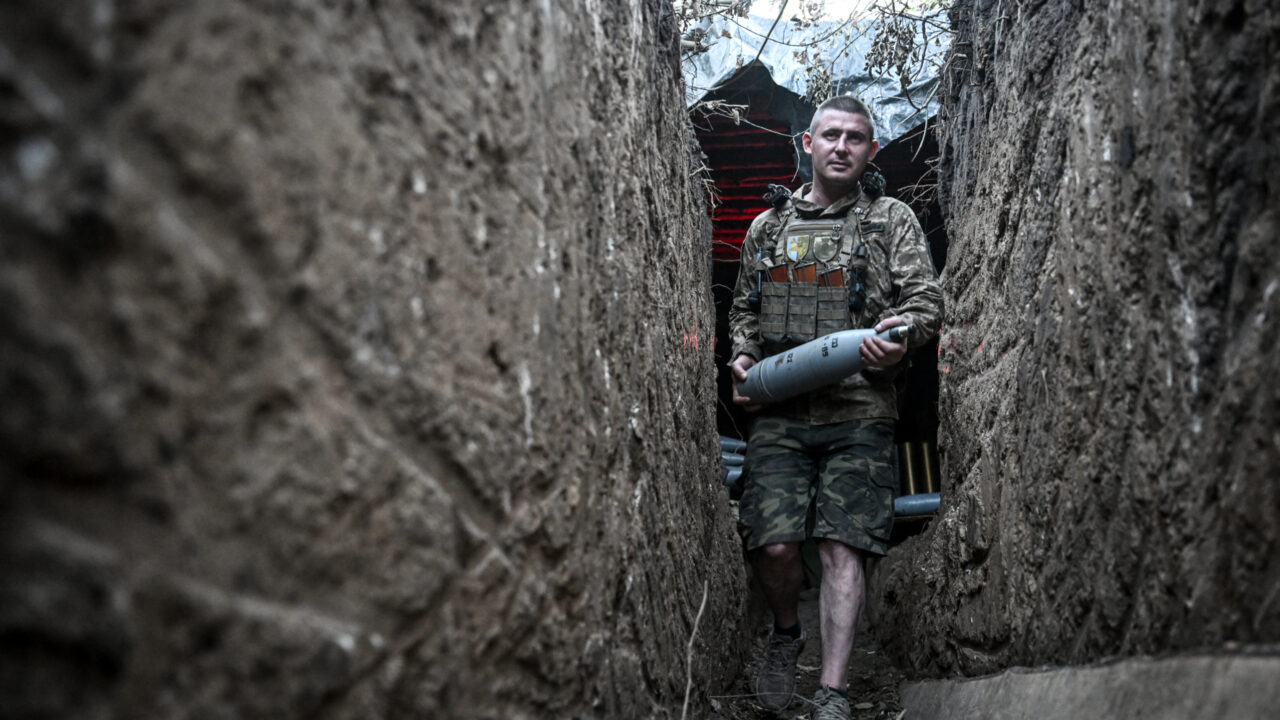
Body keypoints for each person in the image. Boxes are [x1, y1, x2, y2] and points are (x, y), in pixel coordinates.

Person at [727, 95, 942, 719]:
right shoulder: (767, 227)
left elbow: (926, 303)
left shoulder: (890, 219)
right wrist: (743, 356)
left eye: (856, 138)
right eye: (832, 136)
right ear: (808, 145)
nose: (843, 146)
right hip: (781, 408)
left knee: (842, 545)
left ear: (872, 150)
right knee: (773, 547)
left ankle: (833, 691)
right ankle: (786, 634)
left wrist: (895, 338)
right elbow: (744, 309)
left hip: (859, 409)